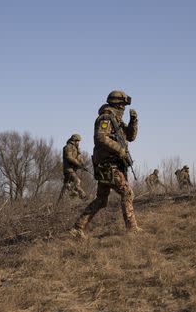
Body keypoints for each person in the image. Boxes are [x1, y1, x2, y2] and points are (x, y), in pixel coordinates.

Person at [72, 90, 139, 237]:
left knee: (101, 200)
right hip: (109, 165)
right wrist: (119, 149)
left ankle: (77, 228)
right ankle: (132, 229)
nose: (124, 109)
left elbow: (131, 136)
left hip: (110, 165)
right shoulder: (106, 118)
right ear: (118, 104)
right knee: (127, 193)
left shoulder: (116, 121)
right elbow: (101, 137)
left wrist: (134, 121)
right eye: (123, 105)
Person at [58, 134, 88, 201]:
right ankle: (83, 196)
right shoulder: (68, 147)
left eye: (79, 141)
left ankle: (59, 203)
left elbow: (79, 158)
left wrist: (83, 165)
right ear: (74, 140)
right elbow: (69, 157)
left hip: (73, 170)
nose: (78, 143)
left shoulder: (76, 149)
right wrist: (78, 164)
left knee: (66, 186)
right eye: (77, 141)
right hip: (68, 169)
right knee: (77, 181)